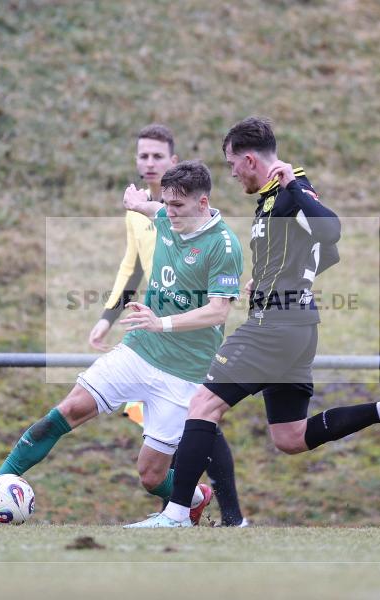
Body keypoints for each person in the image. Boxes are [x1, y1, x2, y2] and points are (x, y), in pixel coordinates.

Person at [126, 117, 380, 528]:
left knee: (202, 404)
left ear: (250, 160)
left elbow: (333, 232)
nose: (232, 173)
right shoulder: (272, 196)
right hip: (295, 325)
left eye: (233, 164)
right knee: (289, 437)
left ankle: (178, 514)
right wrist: (279, 277)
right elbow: (326, 256)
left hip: (276, 325)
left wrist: (292, 187)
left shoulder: (292, 190)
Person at [0, 160, 245, 526]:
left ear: (203, 205)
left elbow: (219, 312)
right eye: (167, 205)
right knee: (67, 410)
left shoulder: (224, 246)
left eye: (178, 207)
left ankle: (195, 497)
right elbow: (154, 208)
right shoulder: (167, 216)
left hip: (183, 374)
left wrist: (162, 322)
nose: (169, 214)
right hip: (139, 350)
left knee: (151, 477)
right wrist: (137, 202)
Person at [87, 124, 247, 526]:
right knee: (184, 430)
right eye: (143, 156)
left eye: (157, 156)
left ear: (173, 161)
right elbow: (133, 265)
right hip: (148, 338)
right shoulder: (149, 210)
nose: (149, 162)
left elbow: (217, 306)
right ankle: (182, 509)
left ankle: (222, 514)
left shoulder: (197, 220)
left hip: (183, 342)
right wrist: (108, 316)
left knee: (200, 424)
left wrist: (165, 322)